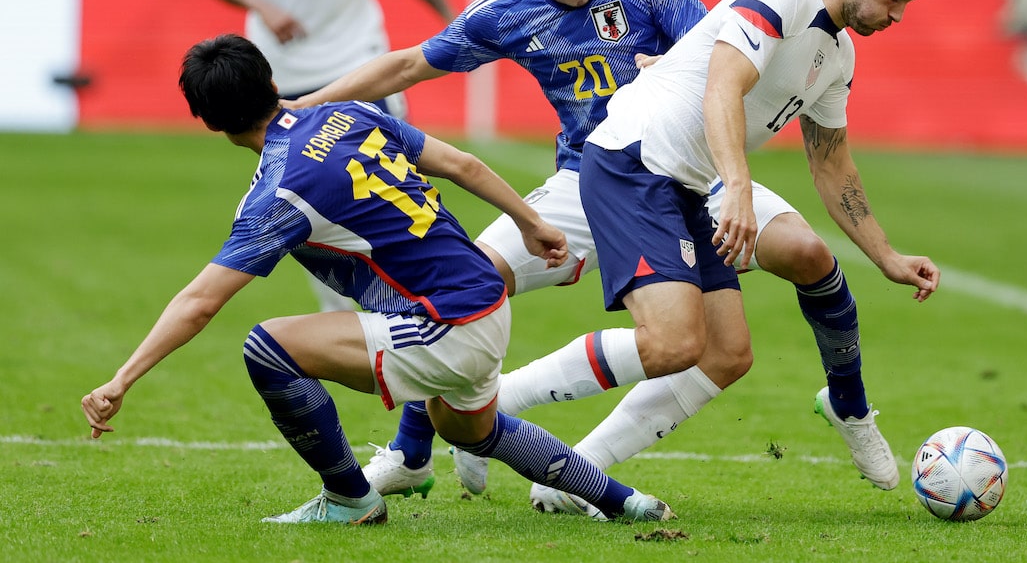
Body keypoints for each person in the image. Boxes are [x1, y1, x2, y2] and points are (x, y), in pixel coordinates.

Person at [291, 0, 917, 514]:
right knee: (474, 284)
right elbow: (406, 67)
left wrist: (879, 251)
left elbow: (709, 64)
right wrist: (303, 107)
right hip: (600, 171)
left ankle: (551, 453)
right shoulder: (509, 11)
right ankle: (415, 451)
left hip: (692, 166)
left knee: (783, 280)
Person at [79, 34, 673, 525]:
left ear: (211, 123)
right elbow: (460, 164)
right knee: (474, 430)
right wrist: (531, 222)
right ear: (270, 82)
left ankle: (349, 500)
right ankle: (628, 502)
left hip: (446, 324)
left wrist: (121, 379)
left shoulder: (277, 194)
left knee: (267, 347)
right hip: (487, 301)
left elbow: (200, 303)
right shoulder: (348, 112)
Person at [573, 0, 940, 509]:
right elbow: (724, 84)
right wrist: (738, 186)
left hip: (692, 181)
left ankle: (578, 466)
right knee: (667, 338)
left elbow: (831, 164)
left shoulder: (839, 55)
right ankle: (489, 412)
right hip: (637, 159)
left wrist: (887, 256)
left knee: (744, 333)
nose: (898, 15)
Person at [198, 0, 456, 312]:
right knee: (305, 201)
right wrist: (261, 4)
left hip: (359, 53)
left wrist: (451, 18)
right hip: (281, 69)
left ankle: (440, 294)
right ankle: (345, 315)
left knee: (403, 174)